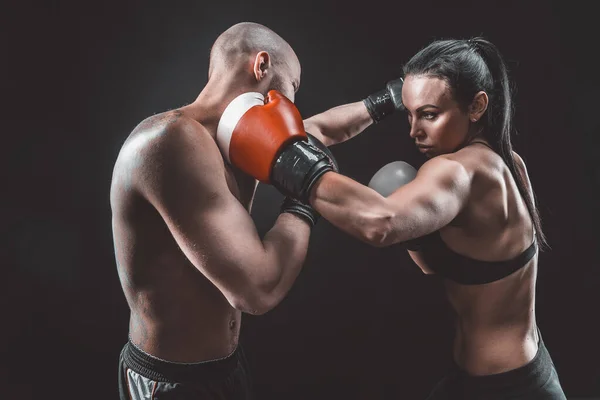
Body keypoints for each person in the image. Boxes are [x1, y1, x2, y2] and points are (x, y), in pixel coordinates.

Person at [233, 38, 567, 399]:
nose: (413, 131)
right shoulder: (509, 161)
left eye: (429, 114)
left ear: (476, 106)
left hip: (508, 390)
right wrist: (378, 104)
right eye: (408, 113)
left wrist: (295, 167)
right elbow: (310, 134)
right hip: (510, 373)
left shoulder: (458, 171)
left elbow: (380, 223)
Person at [110, 21, 372, 400]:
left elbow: (318, 131)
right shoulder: (172, 141)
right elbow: (258, 289)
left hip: (226, 368)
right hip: (170, 384)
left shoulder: (232, 139)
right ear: (261, 66)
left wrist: (388, 101)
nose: (293, 106)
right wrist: (304, 197)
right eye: (292, 87)